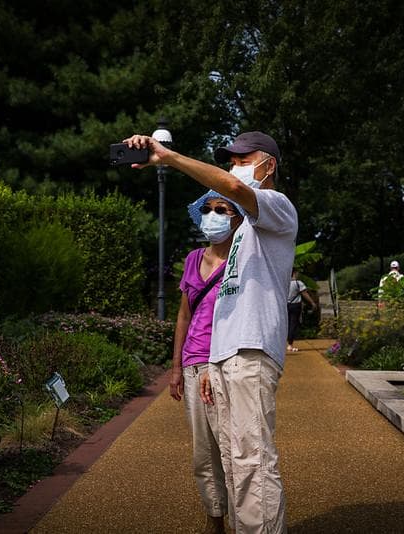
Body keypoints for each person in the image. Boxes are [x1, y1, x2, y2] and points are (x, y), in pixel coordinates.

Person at [125, 130, 297, 533]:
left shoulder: (277, 206)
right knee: (235, 463)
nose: (234, 169)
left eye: (242, 160)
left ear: (268, 165)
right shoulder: (243, 233)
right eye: (231, 161)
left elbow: (233, 188)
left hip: (251, 350)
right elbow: (228, 302)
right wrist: (212, 361)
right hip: (225, 357)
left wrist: (168, 157)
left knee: (252, 460)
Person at [170, 191, 244, 534]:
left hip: (227, 364)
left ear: (237, 218)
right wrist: (176, 368)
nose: (212, 215)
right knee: (204, 453)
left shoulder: (242, 260)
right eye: (207, 209)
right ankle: (216, 521)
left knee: (233, 448)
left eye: (221, 209)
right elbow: (184, 315)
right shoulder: (193, 258)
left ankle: (245, 520)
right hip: (193, 364)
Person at [286, 269, 316, 352]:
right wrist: (312, 303)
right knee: (293, 324)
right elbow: (305, 294)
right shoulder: (298, 283)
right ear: (294, 273)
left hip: (286, 305)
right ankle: (290, 345)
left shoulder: (285, 283)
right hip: (295, 306)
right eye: (297, 273)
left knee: (286, 324)